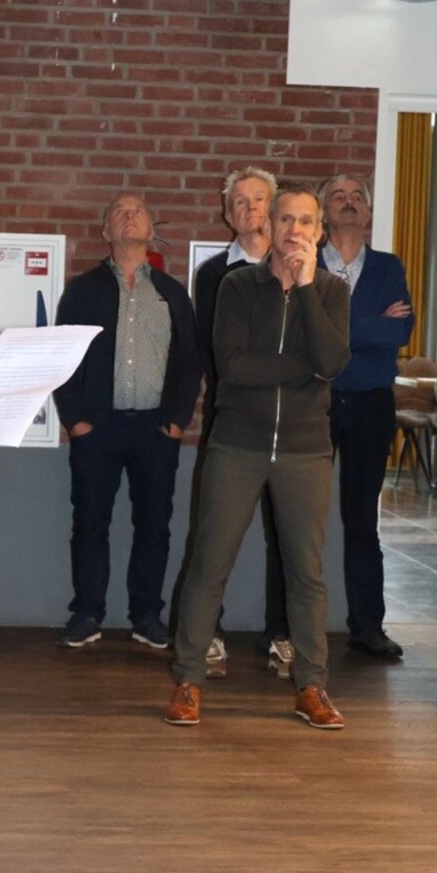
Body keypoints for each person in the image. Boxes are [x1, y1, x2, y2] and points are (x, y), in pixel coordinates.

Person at [166, 183, 350, 729]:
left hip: (305, 450)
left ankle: (311, 686)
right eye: (285, 219)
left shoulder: (332, 292)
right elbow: (234, 367)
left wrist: (307, 289)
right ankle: (188, 681)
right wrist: (304, 366)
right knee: (208, 564)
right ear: (269, 226)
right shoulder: (237, 285)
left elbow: (332, 362)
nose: (295, 230)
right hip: (237, 445)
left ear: (319, 233)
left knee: (307, 573)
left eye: (306, 221)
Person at [53, 192, 201, 648]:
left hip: (156, 430)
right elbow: (63, 357)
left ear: (151, 230)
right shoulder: (82, 290)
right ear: (106, 231)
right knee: (90, 523)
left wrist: (177, 421)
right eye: (119, 211)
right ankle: (86, 613)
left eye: (138, 211)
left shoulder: (172, 293)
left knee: (154, 526)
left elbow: (189, 361)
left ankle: (146, 615)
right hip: (97, 428)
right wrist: (75, 420)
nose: (129, 216)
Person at [171, 166, 294, 681]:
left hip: (290, 424)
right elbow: (216, 353)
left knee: (286, 537)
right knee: (214, 536)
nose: (250, 210)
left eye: (259, 199)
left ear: (275, 207)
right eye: (239, 202)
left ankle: (283, 634)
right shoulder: (213, 275)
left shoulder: (298, 268)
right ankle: (209, 636)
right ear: (227, 215)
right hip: (233, 419)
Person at [317, 174, 413, 661]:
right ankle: (286, 630)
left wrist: (337, 327)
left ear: (369, 212)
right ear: (323, 211)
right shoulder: (305, 263)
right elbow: (305, 331)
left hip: (372, 402)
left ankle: (368, 627)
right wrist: (370, 324)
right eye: (339, 196)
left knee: (362, 520)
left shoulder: (388, 267)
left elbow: (400, 334)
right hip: (314, 401)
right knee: (299, 519)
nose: (350, 202)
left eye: (358, 197)